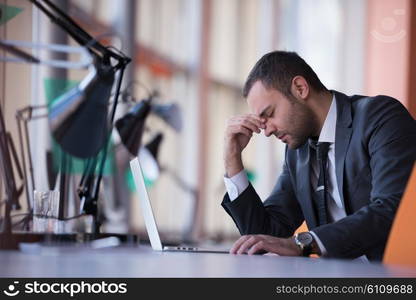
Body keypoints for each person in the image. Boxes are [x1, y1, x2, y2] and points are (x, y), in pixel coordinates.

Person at [222, 51, 416, 261]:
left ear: (300, 88)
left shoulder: (380, 117)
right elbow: (265, 235)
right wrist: (232, 159)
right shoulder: (297, 151)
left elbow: (391, 209)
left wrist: (305, 243)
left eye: (269, 114)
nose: (266, 131)